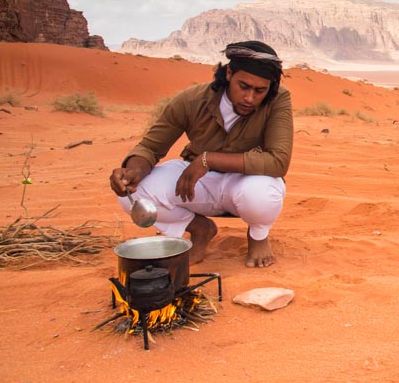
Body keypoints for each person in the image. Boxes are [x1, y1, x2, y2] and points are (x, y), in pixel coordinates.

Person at [109, 41, 293, 267]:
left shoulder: (278, 99)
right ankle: (200, 229)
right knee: (134, 196)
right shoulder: (192, 100)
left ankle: (258, 236)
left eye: (260, 91)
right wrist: (134, 170)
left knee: (262, 195)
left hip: (246, 180)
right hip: (198, 184)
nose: (250, 98)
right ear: (228, 73)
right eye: (243, 86)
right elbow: (150, 147)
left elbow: (278, 161)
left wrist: (208, 159)